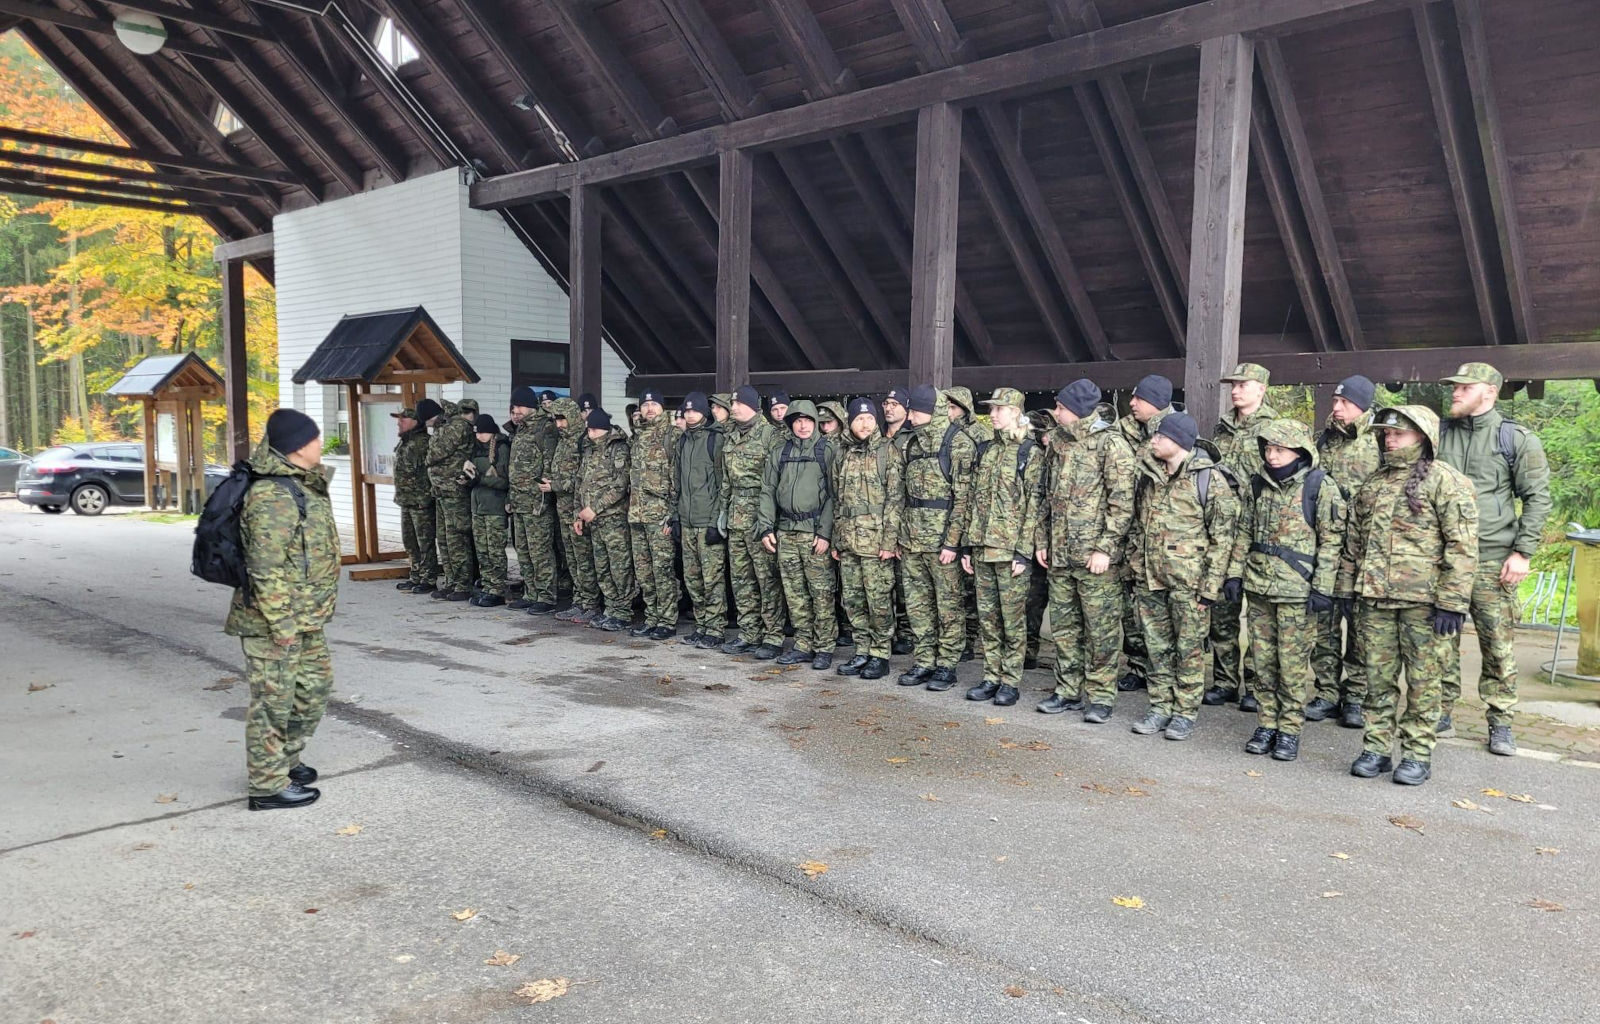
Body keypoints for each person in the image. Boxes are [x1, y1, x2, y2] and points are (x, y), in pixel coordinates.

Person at [1337, 406, 1478, 785]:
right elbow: (1354, 542)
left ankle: (1416, 754)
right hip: (1375, 601)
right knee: (1376, 679)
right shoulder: (1374, 483)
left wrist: (1453, 602)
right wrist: (1346, 589)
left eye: (1399, 433)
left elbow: (1462, 546)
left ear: (1423, 436)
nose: (1390, 439)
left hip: (1424, 605)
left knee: (1423, 683)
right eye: (1386, 433)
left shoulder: (1446, 481)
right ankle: (1376, 748)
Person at [1437, 362, 1552, 755]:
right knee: (1440, 643)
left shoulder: (1515, 439)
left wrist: (1522, 552)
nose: (1455, 393)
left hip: (1492, 559)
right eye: (1454, 387)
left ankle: (1500, 721)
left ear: (1489, 391)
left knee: (1498, 647)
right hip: (1444, 560)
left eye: (1464, 387)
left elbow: (1537, 498)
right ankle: (1441, 712)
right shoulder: (1438, 434)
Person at [228, 409, 340, 811]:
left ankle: (284, 761)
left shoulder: (301, 484)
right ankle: (266, 786)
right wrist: (282, 624)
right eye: (315, 438)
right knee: (273, 702)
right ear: (297, 446)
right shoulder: (272, 495)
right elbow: (264, 567)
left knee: (313, 690)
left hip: (305, 617)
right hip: (276, 622)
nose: (320, 444)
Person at [1230, 420, 1344, 761]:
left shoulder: (1319, 486)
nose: (1272, 455)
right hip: (1260, 588)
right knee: (1262, 662)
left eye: (1280, 449)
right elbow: (1243, 532)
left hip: (1298, 593)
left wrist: (1322, 588)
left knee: (1292, 666)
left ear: (1299, 452)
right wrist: (1234, 574)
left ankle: (1290, 729)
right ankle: (1267, 723)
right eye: (1268, 449)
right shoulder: (1257, 485)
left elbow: (1331, 542)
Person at [1127, 413, 1241, 741]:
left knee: (1189, 650)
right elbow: (1138, 525)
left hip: (1189, 585)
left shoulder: (1209, 480)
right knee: (1156, 648)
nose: (1153, 441)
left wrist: (1210, 588)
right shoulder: (1149, 476)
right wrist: (1136, 566)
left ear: (1178, 441)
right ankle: (1160, 706)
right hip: (1151, 580)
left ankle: (1185, 712)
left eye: (1160, 437)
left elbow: (1223, 539)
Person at [1033, 380, 1135, 721]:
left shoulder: (1111, 444)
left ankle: (1101, 696)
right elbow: (1045, 496)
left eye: (1061, 407)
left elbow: (1122, 503)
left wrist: (1105, 548)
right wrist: (1042, 540)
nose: (1056, 412)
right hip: (1061, 555)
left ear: (1077, 410)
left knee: (1101, 630)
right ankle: (1067, 691)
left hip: (1095, 558)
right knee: (1065, 628)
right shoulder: (1058, 442)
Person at [961, 388, 1045, 707]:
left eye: (999, 409)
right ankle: (991, 676)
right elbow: (973, 500)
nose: (992, 414)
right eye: (991, 409)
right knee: (988, 618)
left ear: (1015, 412)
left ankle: (1010, 680)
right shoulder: (986, 449)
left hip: (1010, 551)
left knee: (1012, 620)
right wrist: (967, 546)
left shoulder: (1029, 452)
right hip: (983, 547)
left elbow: (1034, 506)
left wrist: (1024, 552)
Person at [1305, 375, 1381, 728]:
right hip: (1327, 546)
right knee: (1324, 623)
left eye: (1345, 403)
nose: (1336, 408)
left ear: (1362, 406)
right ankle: (1327, 692)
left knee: (1362, 627)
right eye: (1335, 401)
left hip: (1365, 549)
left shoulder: (1379, 439)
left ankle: (1356, 696)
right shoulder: (1324, 440)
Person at [1207, 363, 1280, 712]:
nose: (1235, 390)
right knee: (1223, 611)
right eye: (1233, 385)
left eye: (1243, 384)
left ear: (1261, 389)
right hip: (1223, 529)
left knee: (1259, 616)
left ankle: (1256, 684)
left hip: (1259, 529)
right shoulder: (1221, 428)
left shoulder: (1274, 429)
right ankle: (1224, 681)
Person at [897, 384, 977, 691]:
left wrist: (952, 542)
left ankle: (947, 664)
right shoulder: (912, 444)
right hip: (912, 541)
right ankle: (924, 660)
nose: (911, 417)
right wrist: (900, 536)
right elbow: (901, 495)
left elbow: (964, 500)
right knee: (918, 605)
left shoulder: (958, 443)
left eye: (916, 411)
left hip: (942, 544)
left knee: (949, 606)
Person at [758, 400, 837, 669]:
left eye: (808, 420)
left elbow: (834, 495)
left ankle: (824, 646)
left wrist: (825, 532)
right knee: (795, 594)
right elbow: (768, 490)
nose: (803, 425)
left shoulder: (828, 450)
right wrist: (766, 527)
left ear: (815, 422)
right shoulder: (780, 452)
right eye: (797, 420)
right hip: (786, 532)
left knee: (821, 593)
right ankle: (803, 644)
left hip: (813, 533)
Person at [832, 396, 903, 680]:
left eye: (870, 418)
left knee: (879, 600)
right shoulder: (842, 452)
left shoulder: (887, 451)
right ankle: (862, 650)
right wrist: (837, 538)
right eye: (859, 419)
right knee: (853, 599)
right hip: (849, 541)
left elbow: (896, 500)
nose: (865, 424)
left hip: (876, 542)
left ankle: (880, 653)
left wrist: (889, 542)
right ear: (850, 422)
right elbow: (837, 499)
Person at [1114, 374, 1174, 692]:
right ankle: (1138, 666)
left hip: (1161, 541)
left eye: (1139, 398)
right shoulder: (1123, 432)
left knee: (1160, 612)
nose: (1132, 403)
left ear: (1156, 401)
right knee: (1131, 609)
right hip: (1129, 537)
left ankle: (1164, 672)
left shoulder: (1174, 433)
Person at [720, 386, 785, 659]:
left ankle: (773, 636)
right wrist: (722, 511)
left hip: (760, 515)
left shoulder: (771, 435)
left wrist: (770, 520)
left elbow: (777, 481)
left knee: (767, 579)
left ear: (751, 406)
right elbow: (727, 479)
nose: (733, 407)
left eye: (737, 403)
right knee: (741, 579)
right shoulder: (731, 435)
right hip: (736, 515)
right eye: (732, 403)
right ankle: (749, 632)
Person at [672, 392, 728, 647]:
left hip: (707, 521)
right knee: (692, 579)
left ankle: (715, 630)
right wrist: (676, 517)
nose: (690, 415)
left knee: (712, 579)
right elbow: (677, 482)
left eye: (695, 410)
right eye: (687, 411)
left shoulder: (715, 439)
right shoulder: (683, 440)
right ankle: (701, 625)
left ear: (704, 412)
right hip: (687, 521)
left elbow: (722, 483)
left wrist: (717, 521)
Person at [575, 407, 635, 631]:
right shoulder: (589, 450)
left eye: (594, 430)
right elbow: (580, 483)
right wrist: (578, 513)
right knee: (602, 567)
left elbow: (620, 485)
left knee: (620, 567)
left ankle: (623, 611)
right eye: (588, 430)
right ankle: (611, 609)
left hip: (613, 519)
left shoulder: (618, 448)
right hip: (593, 521)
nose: (590, 434)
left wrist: (595, 508)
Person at [628, 389, 679, 639]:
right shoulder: (638, 436)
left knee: (663, 570)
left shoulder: (672, 435)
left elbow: (677, 478)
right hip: (637, 515)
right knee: (644, 572)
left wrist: (673, 513)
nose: (649, 409)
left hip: (660, 516)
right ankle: (652, 617)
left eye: (654, 404)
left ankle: (667, 621)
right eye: (645, 404)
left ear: (662, 407)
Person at [545, 398, 601, 623]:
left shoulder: (582, 441)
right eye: (556, 420)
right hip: (564, 510)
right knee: (573, 559)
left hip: (578, 510)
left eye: (562, 419)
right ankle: (579, 601)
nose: (559, 424)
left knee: (584, 558)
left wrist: (555, 485)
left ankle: (591, 604)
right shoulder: (563, 441)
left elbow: (582, 478)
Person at [506, 388, 557, 613]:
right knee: (523, 551)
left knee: (540, 552)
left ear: (529, 406)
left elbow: (549, 463)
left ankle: (546, 597)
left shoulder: (544, 428)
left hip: (536, 502)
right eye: (514, 407)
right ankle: (530, 592)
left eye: (519, 406)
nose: (515, 411)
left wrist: (543, 496)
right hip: (519, 501)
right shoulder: (521, 429)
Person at [425, 398, 480, 601]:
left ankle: (463, 584)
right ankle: (451, 582)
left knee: (457, 538)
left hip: (454, 490)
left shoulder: (456, 426)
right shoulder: (444, 427)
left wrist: (428, 455)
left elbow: (435, 454)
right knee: (444, 538)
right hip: (441, 490)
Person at [392, 399, 441, 596]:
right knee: (409, 540)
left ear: (415, 422)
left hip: (420, 501)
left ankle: (428, 578)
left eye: (403, 420)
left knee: (425, 541)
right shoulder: (405, 442)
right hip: (406, 500)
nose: (399, 423)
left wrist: (426, 497)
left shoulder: (422, 443)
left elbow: (429, 472)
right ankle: (416, 574)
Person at [881, 387, 915, 657]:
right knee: (882, 582)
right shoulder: (877, 436)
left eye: (895, 403)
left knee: (905, 583)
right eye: (886, 403)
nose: (889, 408)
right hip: (877, 518)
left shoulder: (912, 438)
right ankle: (886, 632)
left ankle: (906, 633)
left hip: (904, 518)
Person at [465, 413, 511, 607]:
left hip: (495, 508)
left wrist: (480, 479)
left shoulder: (501, 448)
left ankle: (497, 590)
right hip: (478, 507)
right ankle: (488, 586)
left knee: (495, 551)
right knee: (483, 551)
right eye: (477, 433)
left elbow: (505, 481)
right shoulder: (476, 449)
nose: (479, 436)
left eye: (483, 433)